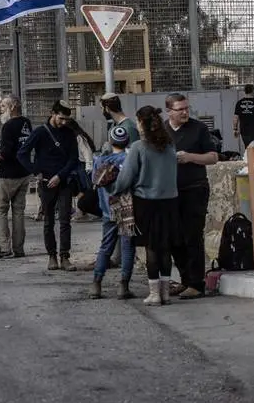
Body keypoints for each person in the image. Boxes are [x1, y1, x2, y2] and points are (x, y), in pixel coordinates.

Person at [113, 107, 181, 306]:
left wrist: (115, 189)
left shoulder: (138, 147)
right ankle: (166, 293)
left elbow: (126, 177)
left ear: (141, 123)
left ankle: (154, 294)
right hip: (170, 202)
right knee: (165, 247)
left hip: (146, 203)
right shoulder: (170, 145)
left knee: (151, 248)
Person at [164, 94, 218, 300]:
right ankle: (185, 279)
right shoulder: (162, 131)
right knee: (174, 238)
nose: (185, 112)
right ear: (169, 111)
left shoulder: (199, 129)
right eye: (180, 109)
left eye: (186, 108)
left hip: (194, 189)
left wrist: (189, 157)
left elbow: (213, 157)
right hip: (169, 192)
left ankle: (196, 284)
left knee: (192, 236)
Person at [17, 101, 80, 272]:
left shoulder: (69, 133)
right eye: (61, 118)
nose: (63, 122)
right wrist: (35, 171)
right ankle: (52, 256)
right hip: (46, 183)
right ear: (52, 113)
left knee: (65, 220)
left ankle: (65, 256)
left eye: (66, 119)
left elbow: (73, 159)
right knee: (48, 221)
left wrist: (60, 176)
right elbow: (22, 153)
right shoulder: (40, 132)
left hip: (64, 181)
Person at [89, 126, 136, 300]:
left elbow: (93, 181)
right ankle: (123, 285)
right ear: (127, 141)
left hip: (107, 209)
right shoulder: (129, 160)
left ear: (110, 141)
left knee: (106, 246)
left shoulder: (99, 160)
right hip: (126, 208)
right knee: (127, 247)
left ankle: (96, 284)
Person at [0, 95, 32, 259]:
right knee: (18, 211)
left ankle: (4, 247)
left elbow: (5, 153)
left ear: (13, 107)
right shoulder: (26, 123)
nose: (1, 108)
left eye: (4, 106)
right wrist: (0, 111)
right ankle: (19, 248)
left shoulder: (8, 127)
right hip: (23, 173)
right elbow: (11, 126)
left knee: (0, 209)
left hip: (8, 175)